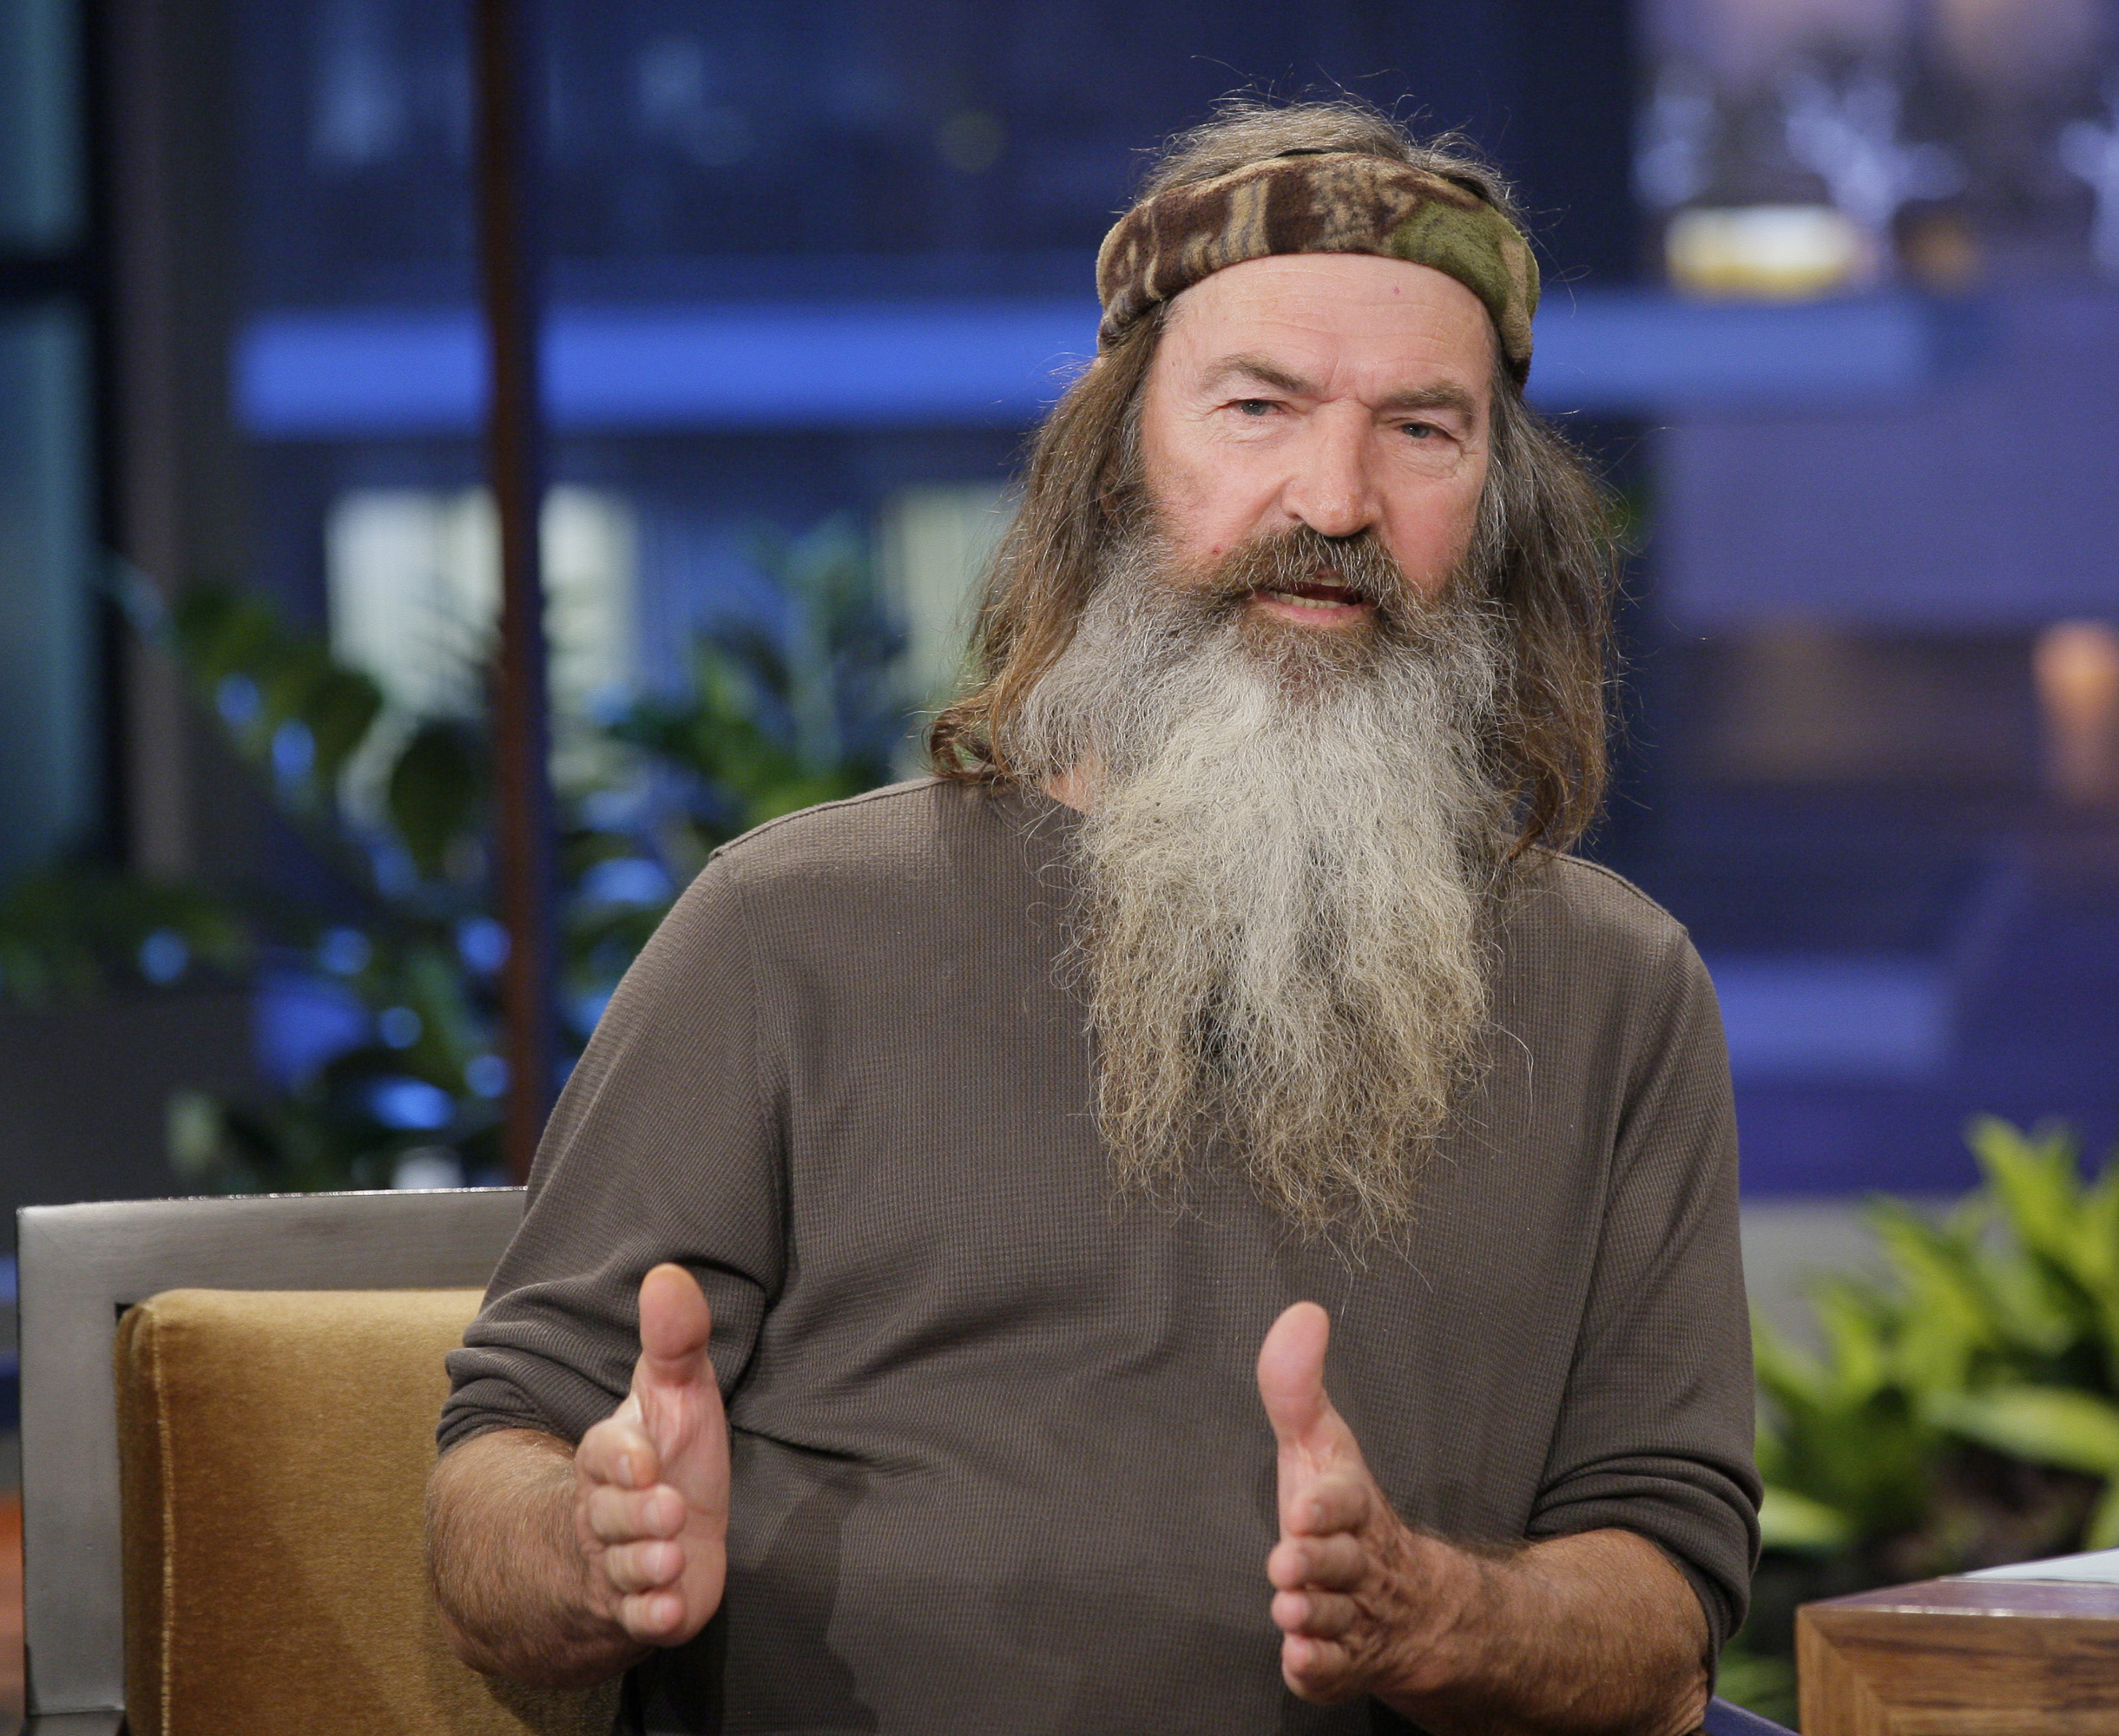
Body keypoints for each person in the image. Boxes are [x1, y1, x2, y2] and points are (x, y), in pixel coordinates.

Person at [426, 97, 1757, 1736]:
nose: (1334, 497)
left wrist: (1437, 1612)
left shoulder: (1618, 990)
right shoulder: (791, 930)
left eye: (1426, 430)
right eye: (1257, 406)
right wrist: (590, 1537)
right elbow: (493, 1466)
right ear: (1113, 461)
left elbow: (1666, 1609)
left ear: (1495, 506)